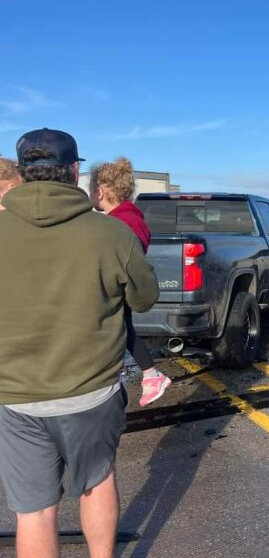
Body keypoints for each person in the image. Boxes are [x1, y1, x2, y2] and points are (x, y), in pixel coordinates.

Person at [0, 128, 159, 558]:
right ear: (74, 172)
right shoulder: (111, 235)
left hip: (14, 398)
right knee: (96, 483)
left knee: (33, 513)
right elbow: (144, 299)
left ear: (23, 173)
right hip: (90, 392)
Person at [90, 157, 172, 406]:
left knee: (121, 332)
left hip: (114, 289)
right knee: (125, 332)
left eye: (91, 190)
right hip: (122, 287)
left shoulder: (117, 224)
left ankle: (149, 376)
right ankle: (149, 376)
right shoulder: (131, 217)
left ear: (101, 191)